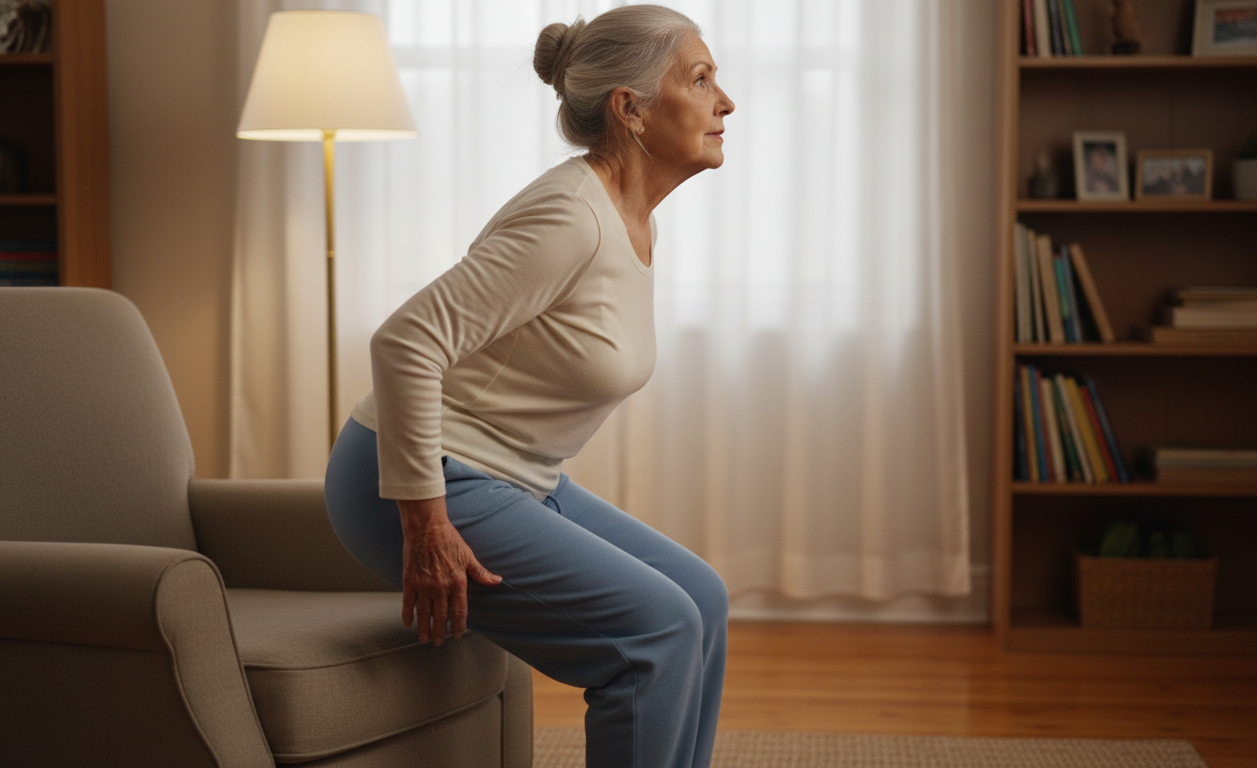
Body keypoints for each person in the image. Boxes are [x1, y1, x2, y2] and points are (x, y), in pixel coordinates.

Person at [323, 6, 736, 767]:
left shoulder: (630, 214)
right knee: (653, 631)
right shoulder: (569, 215)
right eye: (701, 78)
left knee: (700, 599)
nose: (725, 102)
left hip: (516, 479)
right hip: (421, 479)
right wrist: (424, 523)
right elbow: (407, 339)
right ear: (630, 108)